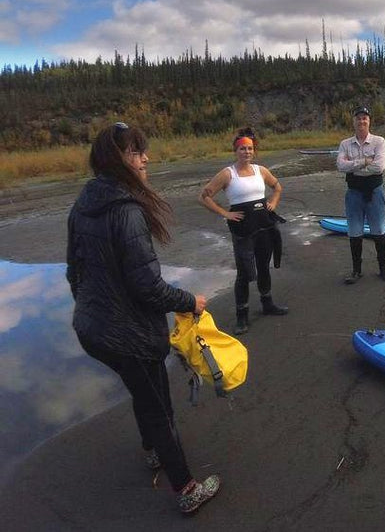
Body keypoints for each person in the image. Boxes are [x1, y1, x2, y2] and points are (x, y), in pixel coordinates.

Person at [66, 122, 221, 515]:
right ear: (118, 160)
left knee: (141, 388)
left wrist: (91, 311)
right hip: (126, 334)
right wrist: (192, 301)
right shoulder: (126, 211)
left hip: (92, 329)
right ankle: (186, 488)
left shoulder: (83, 202)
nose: (145, 158)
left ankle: (152, 450)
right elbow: (148, 287)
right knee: (158, 406)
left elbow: (74, 273)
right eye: (136, 152)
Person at [199, 127, 288, 334]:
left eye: (249, 148)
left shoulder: (261, 170)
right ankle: (242, 316)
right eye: (242, 149)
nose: (246, 152)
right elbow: (204, 196)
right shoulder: (227, 174)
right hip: (243, 230)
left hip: (264, 225)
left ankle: (267, 304)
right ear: (235, 151)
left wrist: (273, 201)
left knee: (264, 266)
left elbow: (277, 186)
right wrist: (225, 213)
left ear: (253, 151)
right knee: (244, 273)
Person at [336, 105, 385, 283]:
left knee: (379, 230)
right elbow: (340, 166)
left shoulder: (380, 141)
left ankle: (383, 269)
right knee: (354, 231)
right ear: (353, 121)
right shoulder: (345, 144)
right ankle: (356, 271)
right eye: (358, 118)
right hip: (353, 193)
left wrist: (353, 164)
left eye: (365, 118)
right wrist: (364, 162)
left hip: (375, 192)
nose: (362, 121)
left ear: (369, 121)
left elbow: (379, 167)